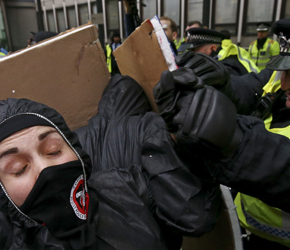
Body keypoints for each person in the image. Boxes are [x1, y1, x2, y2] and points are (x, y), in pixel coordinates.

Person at [0, 73, 222, 249]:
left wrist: (185, 140)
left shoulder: (125, 187)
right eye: (19, 169)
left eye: (53, 150)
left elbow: (194, 212)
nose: (46, 169)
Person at [153, 18, 290, 249]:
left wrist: (234, 142)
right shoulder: (279, 77)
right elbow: (255, 88)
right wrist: (221, 84)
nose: (283, 82)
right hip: (252, 231)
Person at [184, 28, 258, 75]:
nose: (191, 54)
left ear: (213, 48)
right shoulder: (214, 62)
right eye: (190, 50)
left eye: (194, 50)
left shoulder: (227, 68)